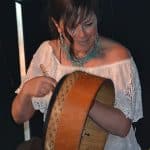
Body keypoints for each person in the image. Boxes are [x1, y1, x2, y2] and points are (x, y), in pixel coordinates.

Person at [11, 0, 143, 149]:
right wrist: (27, 92)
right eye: (72, 27)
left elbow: (122, 127)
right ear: (57, 25)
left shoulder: (118, 57)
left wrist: (80, 100)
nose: (82, 34)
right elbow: (19, 116)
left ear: (97, 18)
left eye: (88, 24)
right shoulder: (47, 54)